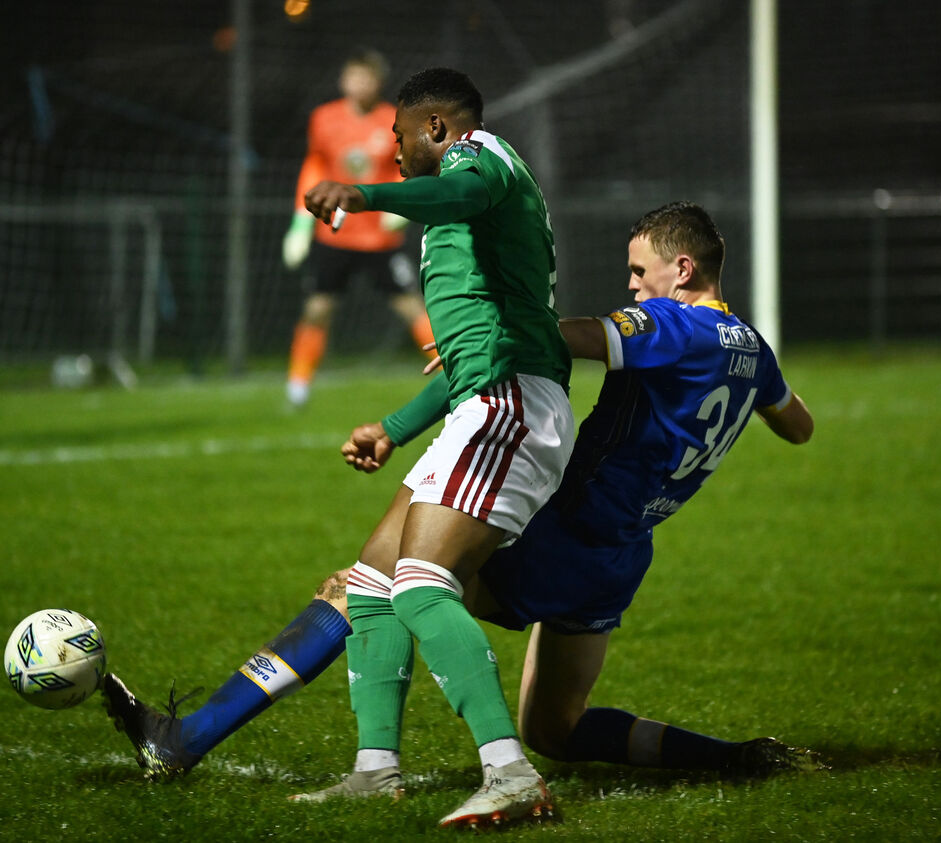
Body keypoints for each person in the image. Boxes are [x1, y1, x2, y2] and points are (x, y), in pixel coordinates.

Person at [102, 202, 820, 826]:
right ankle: (735, 758)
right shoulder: (752, 350)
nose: (633, 284)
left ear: (684, 267)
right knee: (558, 726)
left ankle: (207, 740)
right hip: (623, 551)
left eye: (640, 271)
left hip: (559, 530)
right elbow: (799, 425)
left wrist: (485, 331)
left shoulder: (671, 323)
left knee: (371, 583)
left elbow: (583, 334)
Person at [106, 66, 576, 828]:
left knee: (423, 579)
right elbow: (464, 359)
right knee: (368, 584)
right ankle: (373, 769)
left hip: (512, 404)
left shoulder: (478, 158)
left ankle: (511, 771)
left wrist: (365, 196)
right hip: (484, 401)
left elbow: (460, 195)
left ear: (437, 129)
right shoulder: (459, 233)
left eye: (398, 138)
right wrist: (393, 426)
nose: (390, 154)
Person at [281, 49, 434, 408]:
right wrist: (301, 221)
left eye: (365, 78)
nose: (358, 84)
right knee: (317, 308)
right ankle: (298, 386)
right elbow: (315, 165)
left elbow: (409, 166)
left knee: (413, 306)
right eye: (352, 76)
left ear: (377, 82)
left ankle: (455, 380)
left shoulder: (394, 120)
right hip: (335, 233)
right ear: (343, 79)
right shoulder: (323, 118)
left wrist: (403, 202)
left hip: (380, 239)